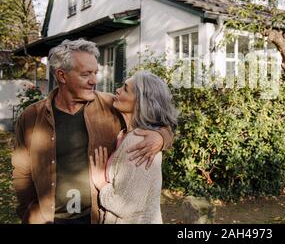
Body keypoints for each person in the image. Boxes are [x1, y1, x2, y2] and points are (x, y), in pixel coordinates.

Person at [12, 39, 174, 224]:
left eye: (96, 72)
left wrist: (161, 136)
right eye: (86, 74)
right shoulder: (31, 116)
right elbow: (21, 171)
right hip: (48, 218)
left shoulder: (112, 105)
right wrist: (27, 210)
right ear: (62, 76)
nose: (94, 81)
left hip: (96, 216)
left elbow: (153, 117)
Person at [90, 71, 177, 224]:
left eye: (125, 88)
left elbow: (125, 206)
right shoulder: (125, 134)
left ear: (141, 102)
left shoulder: (139, 140)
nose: (117, 90)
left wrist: (101, 183)